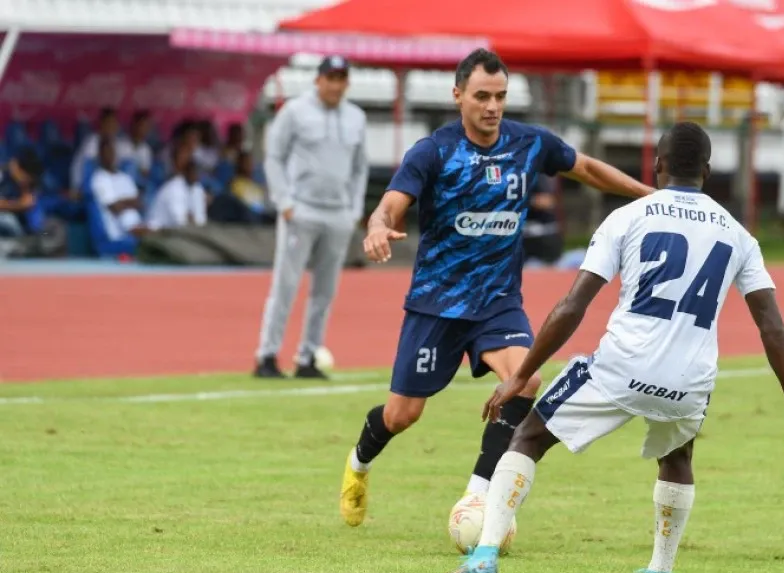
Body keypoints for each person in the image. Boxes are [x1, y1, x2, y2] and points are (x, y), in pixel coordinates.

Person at [435, 121, 784, 573]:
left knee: (529, 436)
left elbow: (572, 307)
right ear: (706, 171)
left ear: (657, 166)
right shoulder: (738, 235)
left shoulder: (629, 217)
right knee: (677, 456)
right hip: (689, 380)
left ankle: (485, 555)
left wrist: (521, 375)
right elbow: (772, 328)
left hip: (621, 366)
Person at [338, 48, 653, 530]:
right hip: (438, 304)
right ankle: (359, 462)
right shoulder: (433, 151)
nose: (492, 106)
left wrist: (651, 196)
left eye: (500, 97)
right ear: (458, 95)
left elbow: (587, 168)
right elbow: (392, 203)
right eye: (482, 96)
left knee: (526, 381)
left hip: (497, 302)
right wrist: (379, 225)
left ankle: (478, 496)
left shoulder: (529, 143)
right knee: (402, 415)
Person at [253, 54, 368, 379]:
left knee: (325, 291)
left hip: (338, 214)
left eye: (341, 79)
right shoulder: (295, 111)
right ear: (318, 80)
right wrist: (284, 201)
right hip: (301, 209)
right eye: (330, 78)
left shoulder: (356, 117)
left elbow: (360, 168)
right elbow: (274, 157)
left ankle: (308, 357)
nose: (335, 85)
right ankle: (267, 355)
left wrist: (354, 210)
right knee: (285, 284)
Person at [147, 159, 207, 230]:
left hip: (174, 230)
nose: (196, 175)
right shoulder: (174, 187)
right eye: (194, 172)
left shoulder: (198, 189)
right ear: (185, 172)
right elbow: (178, 220)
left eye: (199, 172)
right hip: (156, 228)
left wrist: (193, 220)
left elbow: (201, 219)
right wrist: (190, 219)